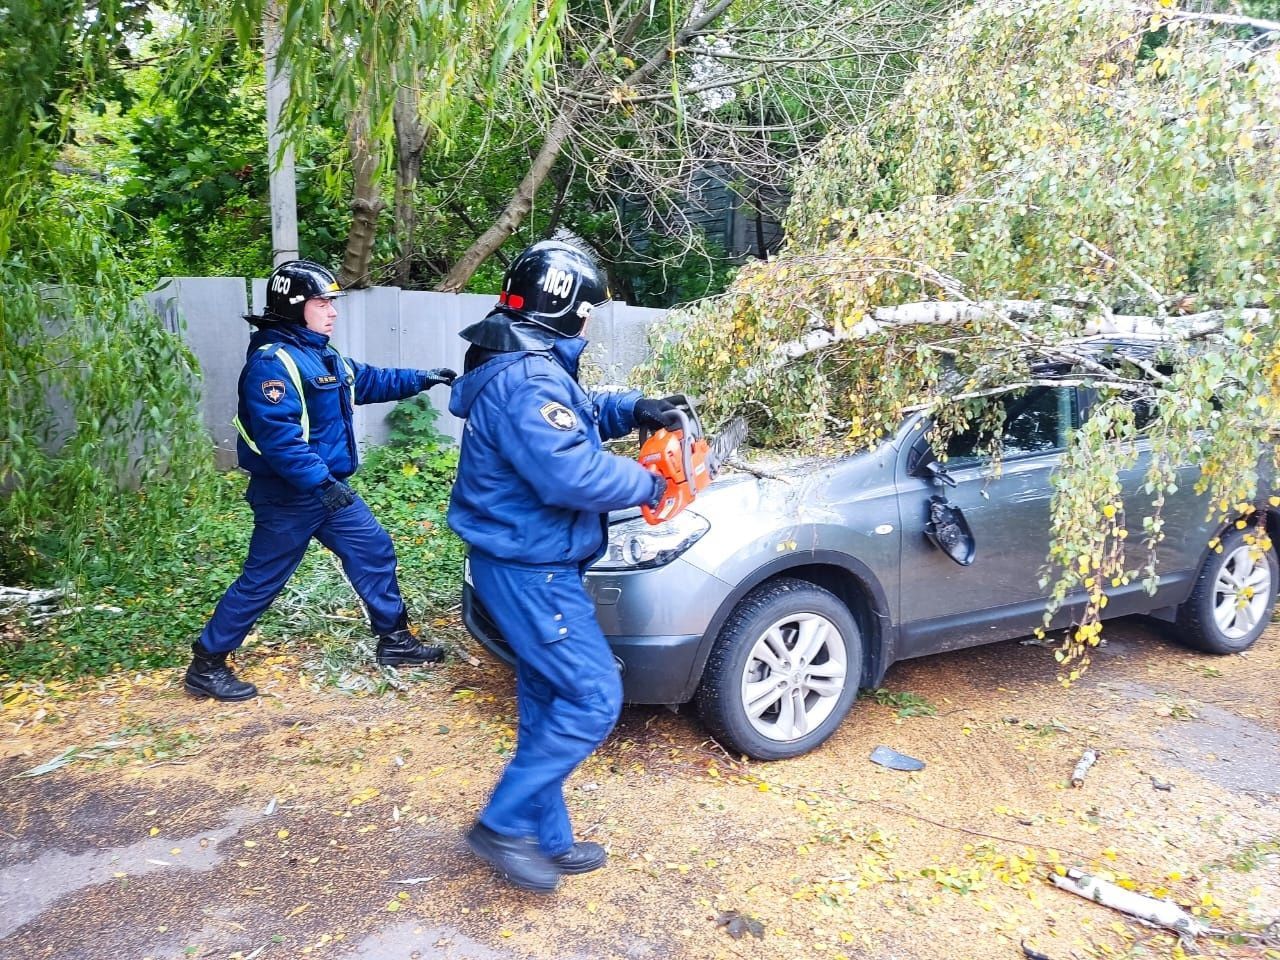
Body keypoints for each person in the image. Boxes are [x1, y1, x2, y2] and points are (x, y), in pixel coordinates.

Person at [447, 240, 685, 893]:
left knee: (547, 700)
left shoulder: (529, 365)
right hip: (532, 570)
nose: (592, 321)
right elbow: (570, 471)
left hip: (528, 561)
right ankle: (501, 826)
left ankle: (546, 840)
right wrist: (649, 484)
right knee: (592, 695)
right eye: (590, 311)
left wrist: (637, 407)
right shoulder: (527, 379)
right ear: (572, 311)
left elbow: (574, 417)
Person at [184, 259, 456, 703]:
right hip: (289, 497)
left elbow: (367, 379)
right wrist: (322, 485)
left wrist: (423, 379)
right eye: (321, 302)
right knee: (264, 579)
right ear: (294, 308)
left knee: (373, 549)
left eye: (332, 302)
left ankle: (395, 642)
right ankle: (207, 663)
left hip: (326, 492)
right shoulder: (272, 364)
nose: (332, 311)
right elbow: (281, 441)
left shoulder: (322, 356)